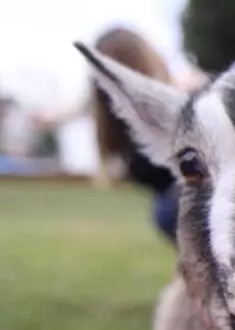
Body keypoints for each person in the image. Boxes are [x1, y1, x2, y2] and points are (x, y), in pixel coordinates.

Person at [35, 26, 207, 245]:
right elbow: (81, 108)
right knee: (166, 212)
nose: (117, 80)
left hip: (189, 199)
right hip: (169, 206)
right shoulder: (111, 114)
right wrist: (51, 117)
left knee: (170, 210)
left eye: (124, 67)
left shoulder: (178, 98)